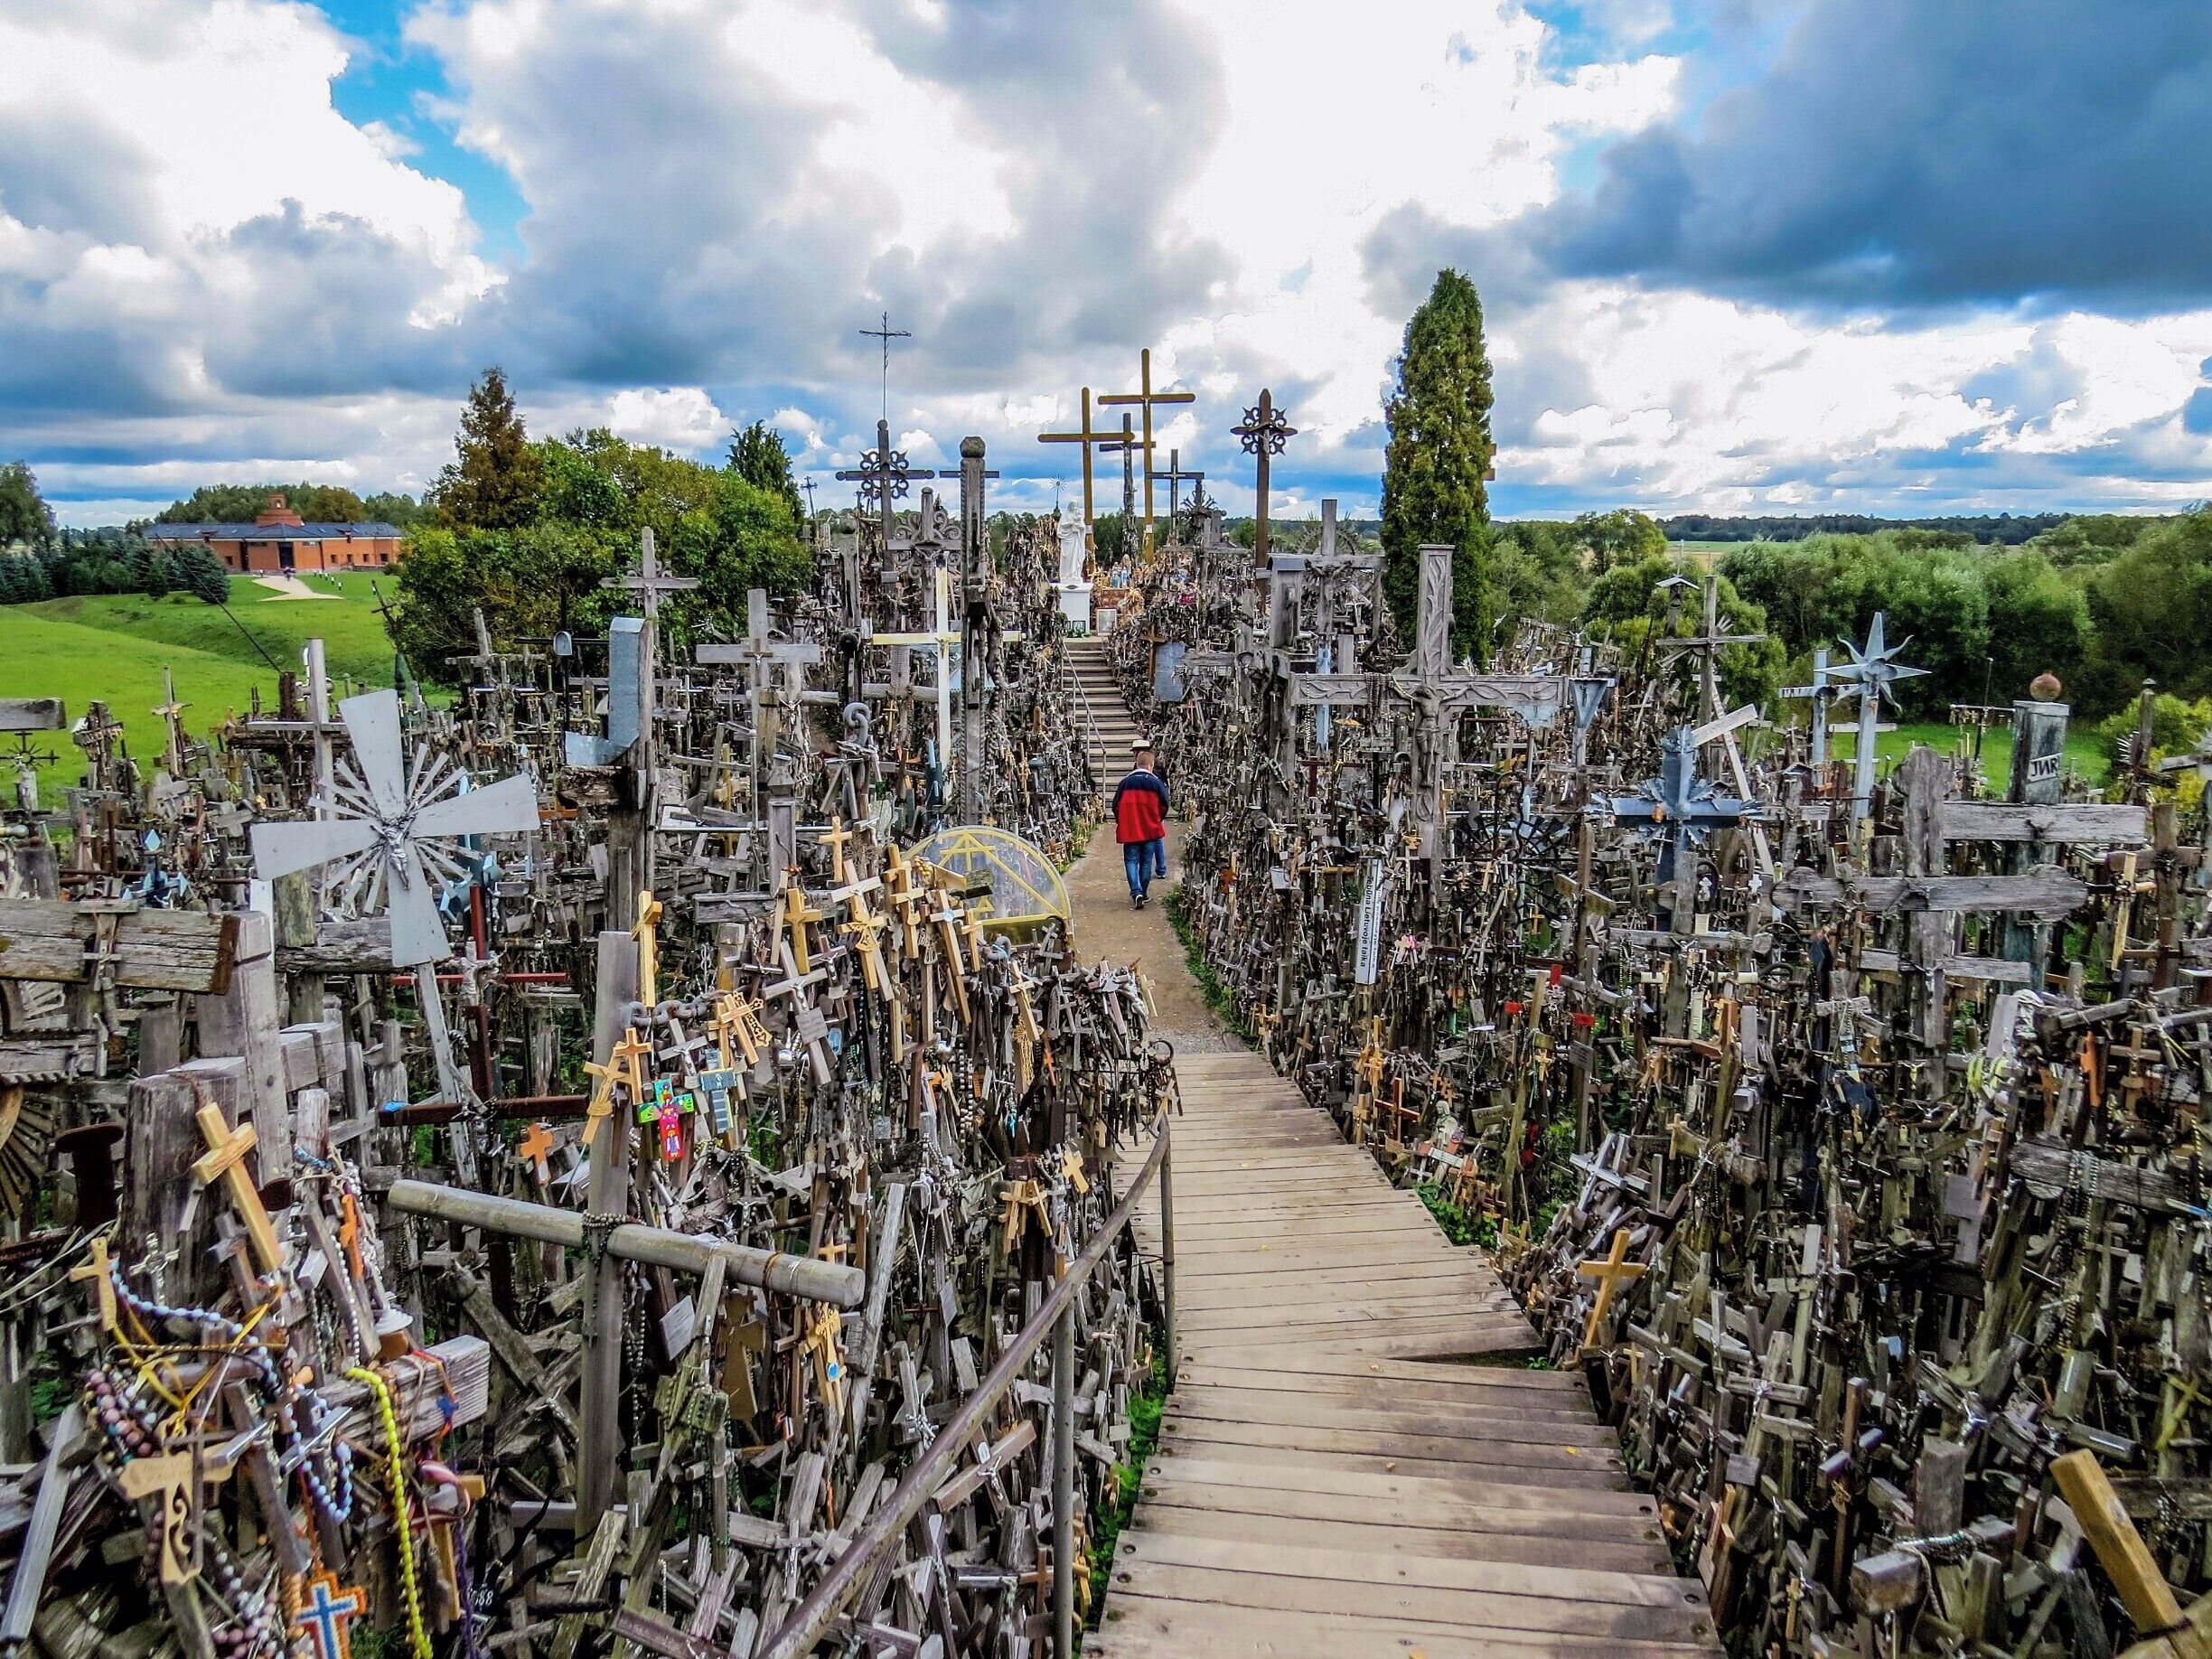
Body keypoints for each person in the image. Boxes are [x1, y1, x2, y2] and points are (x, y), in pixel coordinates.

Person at [1112, 740, 1170, 909]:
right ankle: (1143, 893)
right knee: (1146, 863)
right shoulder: (1156, 783)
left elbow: (1115, 805)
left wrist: (1122, 820)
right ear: (1151, 765)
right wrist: (1156, 819)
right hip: (1149, 829)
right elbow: (1165, 805)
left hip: (1130, 829)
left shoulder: (1125, 783)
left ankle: (1136, 891)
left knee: (1131, 861)